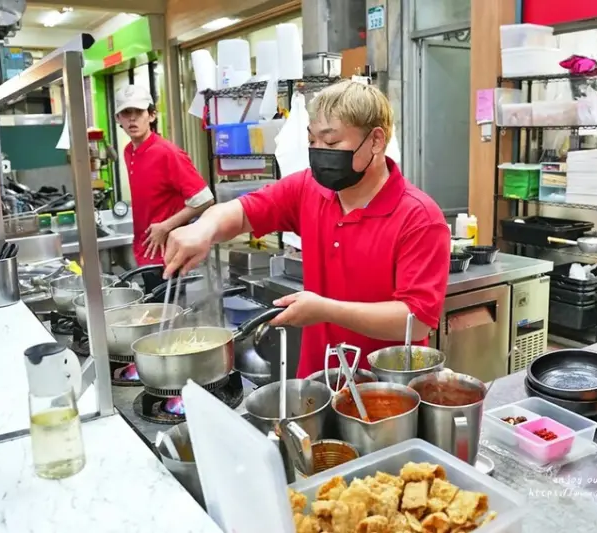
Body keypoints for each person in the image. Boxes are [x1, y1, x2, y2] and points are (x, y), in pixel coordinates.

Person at [162, 80, 451, 377]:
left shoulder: (419, 217)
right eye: (312, 141)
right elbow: (243, 212)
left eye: (331, 142)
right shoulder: (306, 189)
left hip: (389, 392)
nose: (319, 151)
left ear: (376, 141)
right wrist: (204, 229)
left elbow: (415, 320)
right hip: (318, 382)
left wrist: (325, 310)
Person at [114, 84, 213, 288]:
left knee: (170, 315)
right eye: (126, 113)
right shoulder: (128, 152)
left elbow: (204, 199)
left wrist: (165, 226)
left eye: (139, 112)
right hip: (145, 251)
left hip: (168, 254)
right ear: (118, 119)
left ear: (151, 115)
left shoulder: (167, 153)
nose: (132, 118)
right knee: (156, 312)